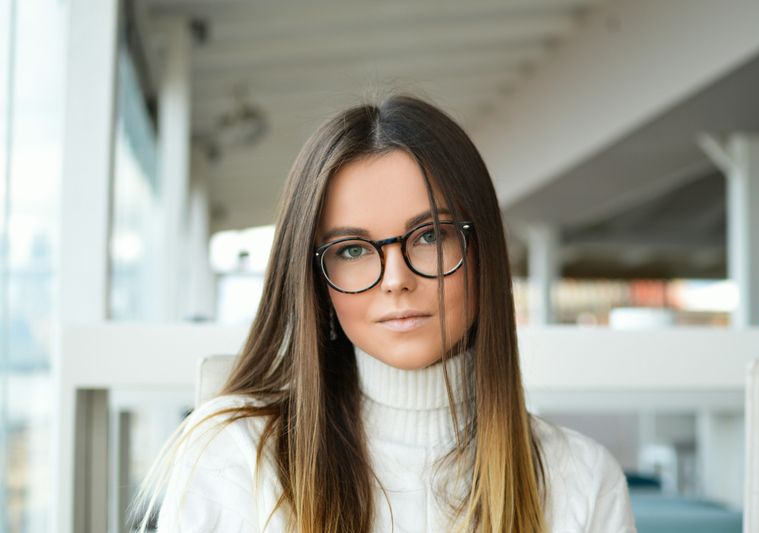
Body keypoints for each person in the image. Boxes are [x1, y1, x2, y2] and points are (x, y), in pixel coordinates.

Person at [131, 94, 637, 532]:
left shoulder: (583, 479)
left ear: (484, 251)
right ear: (315, 280)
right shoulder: (238, 452)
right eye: (351, 249)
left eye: (430, 236)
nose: (396, 278)